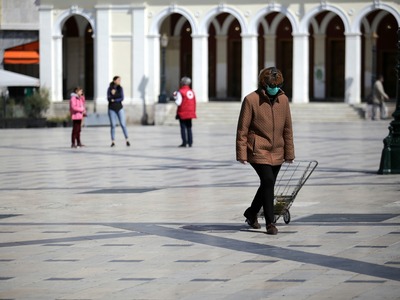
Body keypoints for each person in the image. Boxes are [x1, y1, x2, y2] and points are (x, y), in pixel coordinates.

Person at [236, 67, 295, 235]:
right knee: (268, 180)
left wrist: (289, 153)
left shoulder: (283, 100)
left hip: (277, 149)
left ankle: (251, 213)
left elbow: (287, 128)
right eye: (271, 85)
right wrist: (242, 153)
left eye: (277, 85)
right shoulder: (251, 100)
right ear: (264, 83)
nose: (274, 87)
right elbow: (242, 129)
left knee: (267, 184)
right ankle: (270, 223)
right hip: (258, 149)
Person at [107, 76, 130, 147]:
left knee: (123, 124)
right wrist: (113, 96)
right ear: (114, 81)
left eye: (120, 80)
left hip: (119, 108)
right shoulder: (109, 88)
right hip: (111, 108)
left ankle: (127, 139)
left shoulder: (120, 88)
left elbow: (122, 98)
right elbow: (108, 98)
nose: (119, 81)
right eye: (118, 80)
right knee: (113, 125)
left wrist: (115, 99)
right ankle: (113, 141)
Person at [174, 76, 197, 147]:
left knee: (183, 127)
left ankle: (184, 142)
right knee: (189, 127)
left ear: (182, 83)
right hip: (190, 112)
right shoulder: (191, 91)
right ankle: (190, 142)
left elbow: (178, 102)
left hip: (183, 112)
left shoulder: (180, 91)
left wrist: (175, 97)